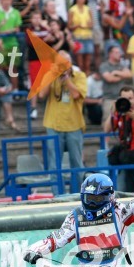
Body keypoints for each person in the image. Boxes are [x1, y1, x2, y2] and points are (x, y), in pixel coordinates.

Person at [40, 50, 87, 179]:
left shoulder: (80, 76)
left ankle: (78, 195)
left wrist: (66, 79)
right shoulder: (50, 75)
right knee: (55, 164)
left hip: (74, 124)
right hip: (54, 124)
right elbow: (41, 94)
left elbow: (77, 94)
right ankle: (58, 196)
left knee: (76, 162)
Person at [99, 45, 132, 115]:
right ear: (110, 54)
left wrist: (116, 73)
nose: (119, 54)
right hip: (109, 99)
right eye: (117, 52)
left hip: (122, 98)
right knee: (108, 121)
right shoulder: (104, 65)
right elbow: (110, 79)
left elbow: (129, 75)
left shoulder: (121, 65)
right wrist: (123, 75)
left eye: (119, 52)